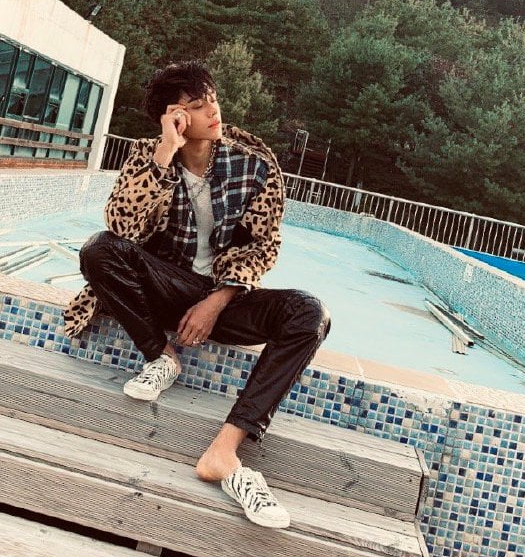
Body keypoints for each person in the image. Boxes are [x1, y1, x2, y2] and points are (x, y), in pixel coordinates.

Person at [63, 60, 331, 528]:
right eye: (197, 106)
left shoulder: (253, 164)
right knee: (98, 250)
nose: (213, 112)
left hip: (224, 297)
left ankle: (224, 452)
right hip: (166, 288)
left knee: (309, 313)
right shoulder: (148, 156)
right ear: (173, 117)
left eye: (212, 100)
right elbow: (123, 229)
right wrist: (165, 154)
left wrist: (218, 299)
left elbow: (263, 246)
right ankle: (162, 357)